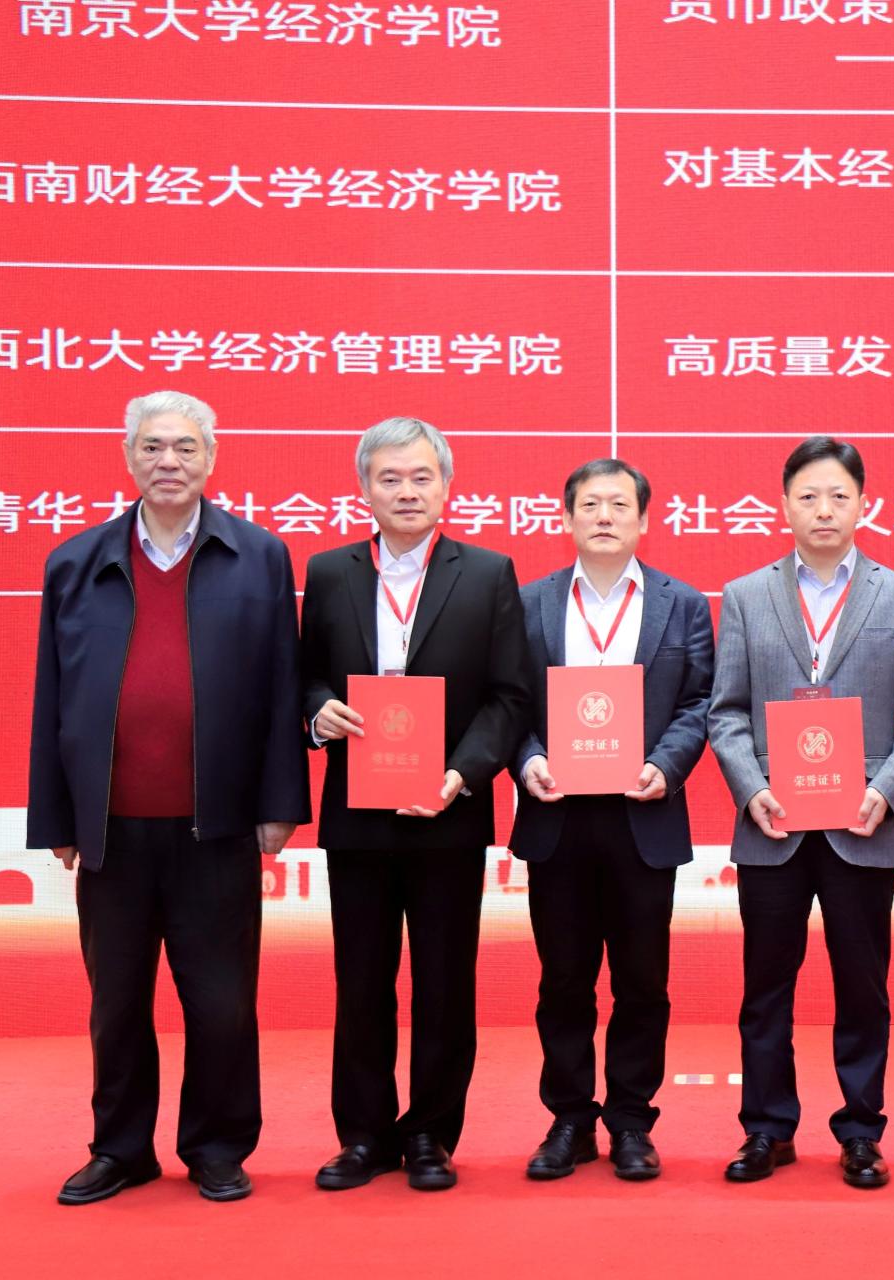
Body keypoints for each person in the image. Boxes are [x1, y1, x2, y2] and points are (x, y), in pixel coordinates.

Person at [28, 390, 309, 1205]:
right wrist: (57, 817)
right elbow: (52, 696)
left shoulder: (258, 556)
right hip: (111, 829)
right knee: (116, 1003)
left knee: (221, 1002)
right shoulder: (75, 562)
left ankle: (217, 1145)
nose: (169, 462)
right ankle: (121, 1148)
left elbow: (281, 685)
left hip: (215, 827)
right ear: (129, 457)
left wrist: (280, 803)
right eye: (152, 447)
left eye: (185, 447)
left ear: (211, 457)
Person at [301, 416, 535, 1192]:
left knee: (444, 983)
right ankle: (364, 1136)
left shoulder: (488, 573)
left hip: (448, 812)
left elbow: (509, 696)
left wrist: (461, 774)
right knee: (361, 983)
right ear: (364, 488)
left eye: (421, 477)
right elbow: (304, 676)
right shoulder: (329, 572)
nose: (407, 491)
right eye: (390, 478)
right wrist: (318, 711)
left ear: (446, 485)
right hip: (357, 814)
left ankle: (432, 1133)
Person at [708, 436, 894, 1189]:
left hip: (860, 824)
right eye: (808, 495)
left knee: (862, 987)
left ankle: (861, 1131)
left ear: (863, 505)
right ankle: (766, 1128)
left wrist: (886, 790)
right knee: (765, 988)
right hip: (773, 823)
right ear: (784, 505)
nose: (823, 509)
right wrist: (751, 788)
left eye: (839, 496)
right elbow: (726, 712)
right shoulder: (745, 595)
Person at [511, 458, 715, 1182]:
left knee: (642, 982)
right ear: (566, 518)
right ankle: (569, 1119)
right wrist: (528, 758)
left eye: (619, 505)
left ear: (644, 519)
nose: (604, 516)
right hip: (558, 818)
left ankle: (631, 1120)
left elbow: (700, 701)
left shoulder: (682, 605)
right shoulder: (528, 602)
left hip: (641, 817)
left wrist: (667, 763)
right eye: (590, 504)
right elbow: (509, 701)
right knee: (563, 980)